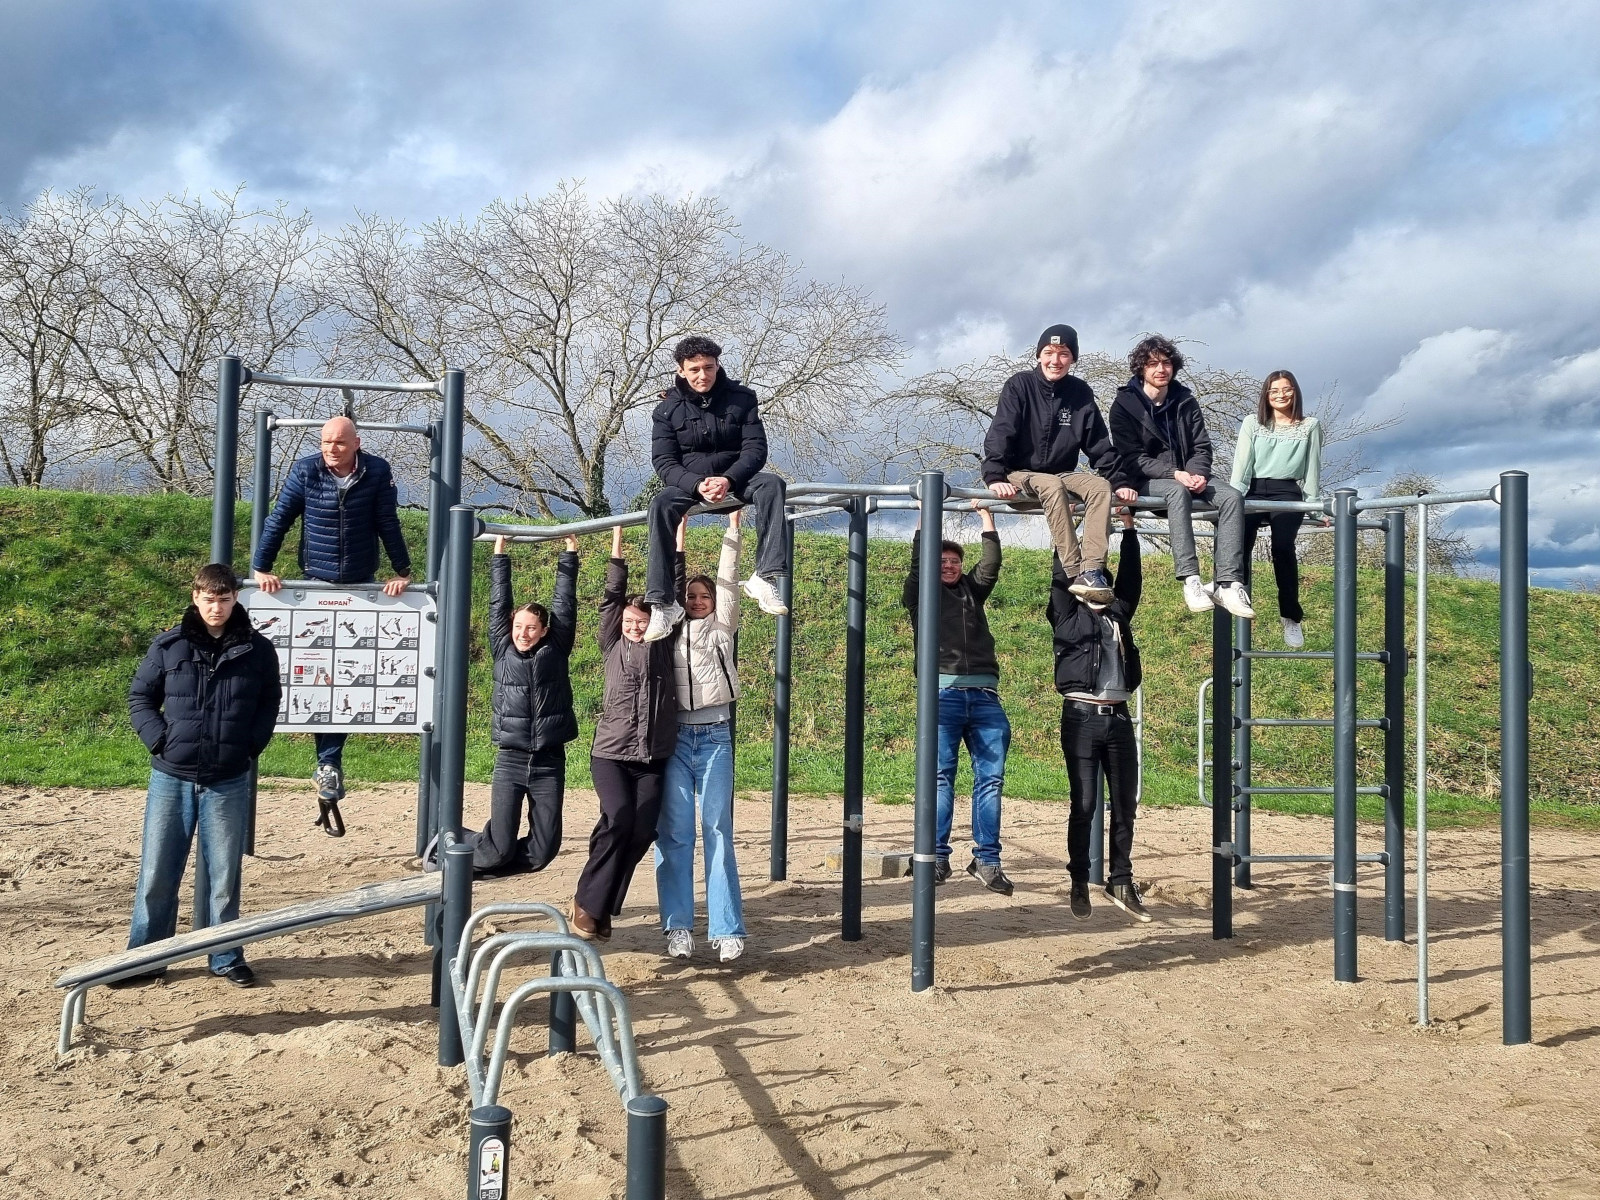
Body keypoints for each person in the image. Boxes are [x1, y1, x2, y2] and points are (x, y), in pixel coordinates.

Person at [119, 563, 282, 989]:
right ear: (196, 598)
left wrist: (250, 745)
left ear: (235, 599)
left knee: (224, 876)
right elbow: (140, 696)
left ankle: (226, 955)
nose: (216, 607)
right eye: (209, 598)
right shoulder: (169, 646)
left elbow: (269, 703)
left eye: (224, 599)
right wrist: (159, 741)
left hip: (228, 777)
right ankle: (145, 958)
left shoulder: (258, 650)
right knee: (157, 871)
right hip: (171, 775)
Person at [251, 416, 413, 834]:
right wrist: (261, 567)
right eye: (325, 442)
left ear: (356, 443)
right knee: (317, 671)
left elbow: (386, 521)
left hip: (360, 582)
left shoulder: (375, 471)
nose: (331, 449)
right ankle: (325, 763)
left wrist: (403, 570)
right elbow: (281, 516)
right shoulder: (306, 470)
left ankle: (329, 763)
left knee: (348, 677)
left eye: (339, 443)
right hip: (319, 579)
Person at [643, 335, 788, 642]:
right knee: (660, 505)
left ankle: (764, 577)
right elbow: (664, 462)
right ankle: (662, 603)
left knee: (773, 484)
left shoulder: (742, 398)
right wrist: (696, 484)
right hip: (690, 482)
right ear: (681, 370)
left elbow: (755, 449)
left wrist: (729, 479)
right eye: (694, 369)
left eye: (708, 367)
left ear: (717, 365)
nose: (702, 375)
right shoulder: (667, 409)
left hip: (736, 477)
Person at [571, 525, 679, 940]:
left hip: (652, 757)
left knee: (641, 830)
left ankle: (601, 905)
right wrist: (616, 547)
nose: (635, 626)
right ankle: (588, 903)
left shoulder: (664, 645)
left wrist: (677, 544)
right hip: (612, 753)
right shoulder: (612, 642)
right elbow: (611, 598)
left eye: (642, 621)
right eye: (631, 621)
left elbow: (673, 598)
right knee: (617, 819)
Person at [901, 501, 1014, 895]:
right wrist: (923, 512)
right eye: (942, 560)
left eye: (953, 561)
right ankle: (934, 856)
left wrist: (987, 517)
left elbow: (991, 565)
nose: (948, 566)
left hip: (984, 696)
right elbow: (918, 563)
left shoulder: (972, 592)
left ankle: (987, 860)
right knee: (939, 777)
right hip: (942, 694)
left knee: (991, 779)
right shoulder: (921, 595)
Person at [1047, 507, 1149, 923]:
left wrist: (1127, 528)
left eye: (1101, 578)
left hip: (1119, 718)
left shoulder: (1119, 616)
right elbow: (1060, 573)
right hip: (1082, 718)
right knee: (1085, 802)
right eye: (1089, 578)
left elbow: (1132, 580)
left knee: (1125, 803)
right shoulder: (1067, 616)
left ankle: (1120, 879)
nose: (1097, 582)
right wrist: (1067, 526)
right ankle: (1078, 880)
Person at [1108, 336, 1255, 620]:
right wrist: (1175, 474)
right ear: (1141, 369)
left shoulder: (1185, 400)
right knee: (1177, 491)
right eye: (1153, 363)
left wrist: (1198, 473)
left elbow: (1201, 446)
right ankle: (1191, 580)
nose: (1161, 369)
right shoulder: (1123, 406)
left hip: (1190, 476)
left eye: (1166, 363)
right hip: (1147, 479)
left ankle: (1228, 582)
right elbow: (1132, 457)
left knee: (1232, 497)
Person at [655, 511, 747, 962]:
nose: (696, 600)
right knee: (674, 834)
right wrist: (678, 536)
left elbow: (729, 584)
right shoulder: (668, 629)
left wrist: (732, 530)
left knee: (717, 830)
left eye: (703, 595)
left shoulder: (722, 628)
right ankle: (678, 928)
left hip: (714, 736)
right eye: (690, 595)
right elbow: (669, 588)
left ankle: (727, 928)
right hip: (675, 741)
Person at [465, 532, 581, 875]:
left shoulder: (556, 648)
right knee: (499, 847)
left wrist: (569, 556)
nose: (524, 633)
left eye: (531, 628)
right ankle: (456, 849)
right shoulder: (503, 647)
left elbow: (565, 605)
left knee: (544, 850)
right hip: (511, 759)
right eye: (518, 626)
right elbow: (498, 602)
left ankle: (471, 862)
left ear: (544, 631)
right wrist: (499, 554)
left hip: (549, 761)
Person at [982, 323, 1120, 603]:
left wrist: (1123, 481)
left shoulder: (1080, 393)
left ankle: (1092, 570)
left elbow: (1098, 442)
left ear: (1073, 359)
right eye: (1049, 352)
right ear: (1038, 356)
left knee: (1100, 487)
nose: (1055, 361)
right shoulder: (1020, 385)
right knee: (1051, 483)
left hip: (1061, 472)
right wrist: (995, 475)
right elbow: (1001, 430)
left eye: (1064, 354)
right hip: (1019, 474)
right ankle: (1073, 570)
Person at [1231, 370, 1324, 649]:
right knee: (1238, 539)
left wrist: (1315, 509)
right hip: (1254, 489)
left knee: (1283, 547)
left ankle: (1290, 616)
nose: (1280, 395)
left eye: (1286, 389)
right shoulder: (1253, 423)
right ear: (1266, 395)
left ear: (1295, 392)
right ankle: (1231, 588)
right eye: (1274, 391)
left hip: (1287, 491)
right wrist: (1233, 500)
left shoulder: (1309, 426)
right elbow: (1242, 463)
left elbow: (1312, 469)